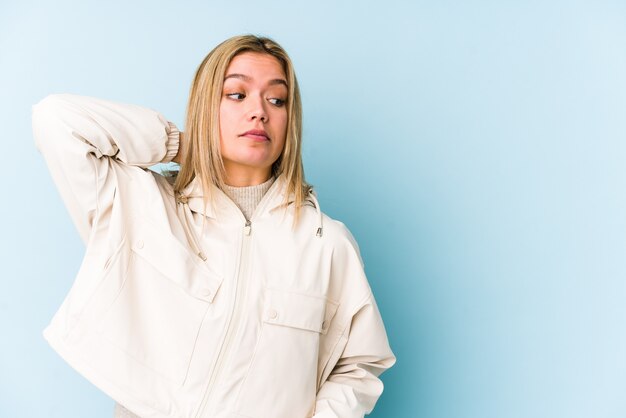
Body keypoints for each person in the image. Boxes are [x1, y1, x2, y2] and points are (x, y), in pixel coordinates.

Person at [32, 34, 396, 418]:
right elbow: (55, 119)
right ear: (207, 106)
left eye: (276, 99)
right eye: (236, 95)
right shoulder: (142, 208)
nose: (259, 111)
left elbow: (359, 365)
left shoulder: (327, 244)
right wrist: (184, 147)